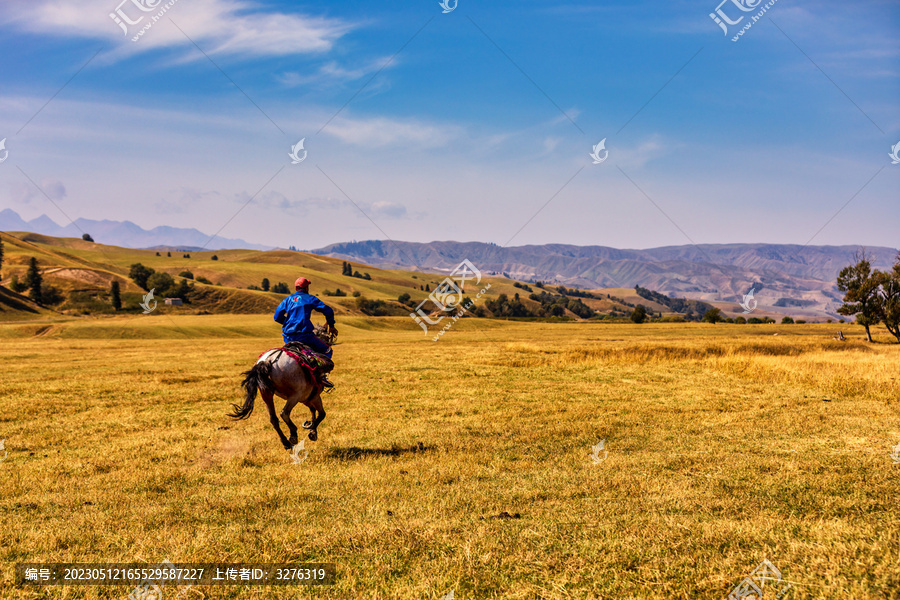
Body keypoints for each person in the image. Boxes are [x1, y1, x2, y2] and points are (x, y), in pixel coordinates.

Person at [274, 277, 338, 358]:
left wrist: (290, 324)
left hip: (288, 338)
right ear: (307, 288)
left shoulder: (287, 300)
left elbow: (277, 317)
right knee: (328, 350)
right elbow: (328, 310)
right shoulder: (310, 298)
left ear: (295, 288)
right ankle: (318, 370)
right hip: (305, 337)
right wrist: (331, 326)